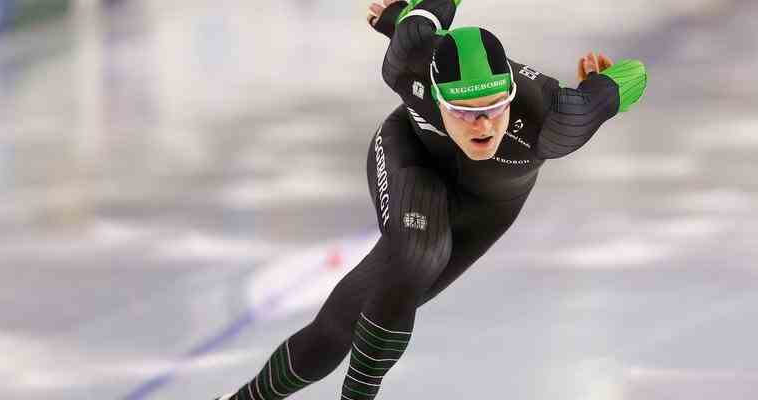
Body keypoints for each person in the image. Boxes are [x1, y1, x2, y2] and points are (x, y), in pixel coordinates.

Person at [215, 0, 646, 399]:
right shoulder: (407, 63)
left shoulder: (556, 118)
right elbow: (427, 14)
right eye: (463, 110)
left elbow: (637, 73)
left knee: (341, 324)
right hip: (411, 157)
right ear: (435, 93)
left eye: (496, 107)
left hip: (486, 211)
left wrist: (602, 86)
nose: (482, 126)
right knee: (421, 253)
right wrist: (400, 16)